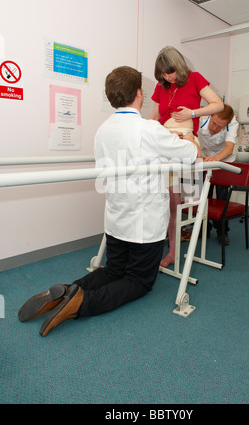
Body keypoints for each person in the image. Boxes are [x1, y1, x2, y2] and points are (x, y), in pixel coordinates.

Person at [18, 66, 199, 337]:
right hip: (144, 225)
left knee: (114, 269)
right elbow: (191, 154)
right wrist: (189, 138)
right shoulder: (148, 129)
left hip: (116, 219)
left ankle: (68, 291)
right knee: (139, 280)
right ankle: (82, 303)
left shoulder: (102, 131)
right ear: (139, 93)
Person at [150, 46, 224, 267]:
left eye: (170, 72)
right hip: (165, 140)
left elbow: (218, 104)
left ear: (179, 67)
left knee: (182, 201)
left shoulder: (194, 78)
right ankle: (168, 250)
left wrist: (191, 113)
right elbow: (154, 117)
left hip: (185, 140)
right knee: (170, 203)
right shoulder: (160, 86)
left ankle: (178, 248)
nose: (167, 77)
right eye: (162, 73)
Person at [198, 104, 239, 244]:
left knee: (222, 197)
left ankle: (222, 230)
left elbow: (229, 148)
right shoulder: (202, 116)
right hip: (204, 159)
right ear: (210, 116)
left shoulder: (233, 123)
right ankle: (203, 228)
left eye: (220, 127)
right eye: (213, 123)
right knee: (204, 196)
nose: (214, 129)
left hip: (224, 160)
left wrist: (216, 159)